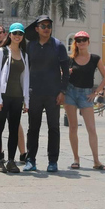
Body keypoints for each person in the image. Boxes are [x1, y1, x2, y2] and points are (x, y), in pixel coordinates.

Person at [23, 15, 69, 172]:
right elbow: (25, 71)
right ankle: (30, 160)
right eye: (43, 26)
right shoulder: (30, 46)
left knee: (53, 128)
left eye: (49, 25)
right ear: (37, 29)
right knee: (33, 128)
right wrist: (25, 94)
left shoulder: (58, 46)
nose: (47, 28)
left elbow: (65, 71)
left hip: (53, 94)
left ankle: (53, 161)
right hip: (34, 92)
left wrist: (62, 91)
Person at [64, 31, 105, 171]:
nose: (81, 42)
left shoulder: (95, 58)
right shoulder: (70, 59)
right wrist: (66, 73)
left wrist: (96, 92)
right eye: (78, 40)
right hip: (70, 93)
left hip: (86, 94)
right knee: (73, 127)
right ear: (75, 43)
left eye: (84, 39)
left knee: (91, 128)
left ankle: (96, 161)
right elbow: (61, 75)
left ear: (88, 42)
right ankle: (76, 159)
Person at [0, 22, 29, 173]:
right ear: (10, 35)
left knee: (14, 129)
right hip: (4, 96)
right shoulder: (3, 52)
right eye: (15, 33)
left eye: (20, 34)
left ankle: (11, 160)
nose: (17, 36)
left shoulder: (24, 55)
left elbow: (25, 78)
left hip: (17, 96)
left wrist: (26, 100)